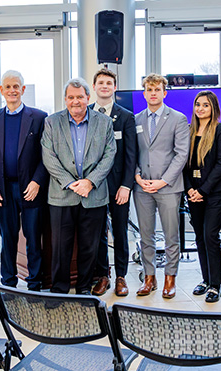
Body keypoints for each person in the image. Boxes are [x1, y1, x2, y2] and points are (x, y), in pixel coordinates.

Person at [41, 78, 116, 295]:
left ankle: (83, 287)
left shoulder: (104, 122)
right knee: (60, 248)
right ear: (65, 99)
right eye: (71, 97)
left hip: (94, 195)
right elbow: (49, 156)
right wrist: (71, 183)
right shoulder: (52, 122)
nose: (76, 101)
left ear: (88, 98)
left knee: (89, 247)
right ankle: (59, 289)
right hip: (62, 194)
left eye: (80, 97)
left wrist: (90, 182)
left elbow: (109, 155)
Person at [0, 70, 48, 291]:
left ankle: (35, 283)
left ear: (23, 90)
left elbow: (46, 155)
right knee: (8, 238)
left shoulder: (39, 117)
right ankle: (8, 283)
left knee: (33, 238)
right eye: (8, 86)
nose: (12, 90)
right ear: (1, 90)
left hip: (31, 188)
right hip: (3, 189)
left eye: (16, 86)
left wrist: (37, 181)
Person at [134, 73, 189, 299]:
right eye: (149, 89)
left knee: (170, 235)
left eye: (157, 89)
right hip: (142, 187)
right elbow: (132, 153)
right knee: (146, 235)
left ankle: (170, 278)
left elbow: (181, 154)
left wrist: (163, 180)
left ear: (164, 93)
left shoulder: (178, 118)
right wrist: (137, 177)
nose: (153, 93)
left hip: (168, 187)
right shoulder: (135, 120)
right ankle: (149, 278)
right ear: (144, 93)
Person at [89, 68, 137, 297]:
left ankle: (121, 277)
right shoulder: (86, 113)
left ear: (114, 87)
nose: (105, 86)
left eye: (109, 83)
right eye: (101, 83)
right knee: (97, 233)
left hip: (119, 187)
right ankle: (102, 276)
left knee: (120, 232)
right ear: (94, 87)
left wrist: (127, 185)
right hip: (93, 187)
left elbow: (131, 155)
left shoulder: (126, 116)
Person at [184, 91, 221, 303]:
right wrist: (190, 190)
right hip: (193, 193)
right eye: (198, 105)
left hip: (215, 193)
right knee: (200, 238)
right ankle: (205, 279)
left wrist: (203, 191)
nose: (201, 108)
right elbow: (183, 164)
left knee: (211, 235)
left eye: (205, 105)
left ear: (213, 109)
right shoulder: (188, 131)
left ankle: (216, 285)